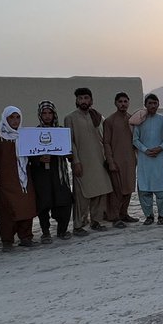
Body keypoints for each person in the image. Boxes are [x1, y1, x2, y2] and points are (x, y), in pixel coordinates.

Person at [65, 88, 113, 233]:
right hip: (82, 162)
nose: (84, 101)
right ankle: (78, 225)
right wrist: (76, 161)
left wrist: (107, 158)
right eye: (80, 98)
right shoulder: (70, 118)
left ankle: (96, 221)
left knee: (100, 191)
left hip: (99, 160)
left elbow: (104, 138)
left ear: (91, 100)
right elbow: (70, 141)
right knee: (82, 195)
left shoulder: (97, 117)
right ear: (76, 101)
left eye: (86, 98)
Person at [0, 106, 37, 250]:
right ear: (5, 118)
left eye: (18, 117)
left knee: (26, 207)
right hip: (7, 180)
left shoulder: (26, 136)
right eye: (12, 117)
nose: (15, 120)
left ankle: (26, 237)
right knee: (7, 210)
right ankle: (7, 240)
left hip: (25, 178)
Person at [28, 100, 74, 242]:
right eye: (44, 113)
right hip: (41, 175)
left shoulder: (61, 132)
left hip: (59, 174)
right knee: (44, 203)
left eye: (50, 113)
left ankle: (62, 230)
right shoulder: (34, 134)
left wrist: (67, 153)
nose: (47, 116)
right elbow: (29, 155)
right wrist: (39, 159)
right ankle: (45, 232)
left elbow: (70, 153)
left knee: (64, 201)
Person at [132, 93, 163, 224]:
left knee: (161, 191)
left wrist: (160, 148)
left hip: (159, 159)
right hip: (144, 159)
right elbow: (135, 139)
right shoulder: (139, 120)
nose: (153, 106)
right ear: (145, 105)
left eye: (155, 103)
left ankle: (161, 216)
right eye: (150, 103)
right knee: (144, 189)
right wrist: (145, 150)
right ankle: (149, 216)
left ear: (158, 104)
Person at [103, 92, 139, 227]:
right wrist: (110, 161)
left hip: (130, 161)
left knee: (128, 188)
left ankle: (124, 213)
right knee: (116, 190)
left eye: (125, 101)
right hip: (116, 161)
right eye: (120, 102)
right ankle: (114, 216)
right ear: (115, 103)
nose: (123, 104)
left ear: (128, 103)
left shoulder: (132, 120)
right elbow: (106, 143)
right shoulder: (109, 121)